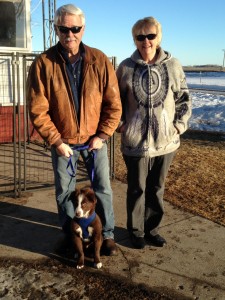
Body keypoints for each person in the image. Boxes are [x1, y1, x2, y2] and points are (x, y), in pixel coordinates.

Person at [27, 4, 122, 256]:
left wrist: (102, 135)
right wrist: (56, 140)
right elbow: (38, 109)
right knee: (65, 193)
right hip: (63, 143)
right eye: (64, 28)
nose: (70, 34)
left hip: (95, 142)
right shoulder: (43, 63)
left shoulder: (99, 60)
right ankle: (71, 235)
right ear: (56, 28)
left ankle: (107, 234)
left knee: (102, 189)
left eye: (75, 28)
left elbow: (114, 105)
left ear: (83, 28)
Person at [116, 17, 192, 249]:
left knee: (157, 188)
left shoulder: (173, 65)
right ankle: (136, 231)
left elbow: (184, 99)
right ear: (134, 40)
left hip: (165, 143)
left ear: (159, 38)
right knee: (137, 188)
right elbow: (114, 102)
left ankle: (152, 229)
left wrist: (178, 126)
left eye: (150, 36)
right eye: (140, 37)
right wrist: (121, 125)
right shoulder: (125, 67)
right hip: (135, 143)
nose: (145, 41)